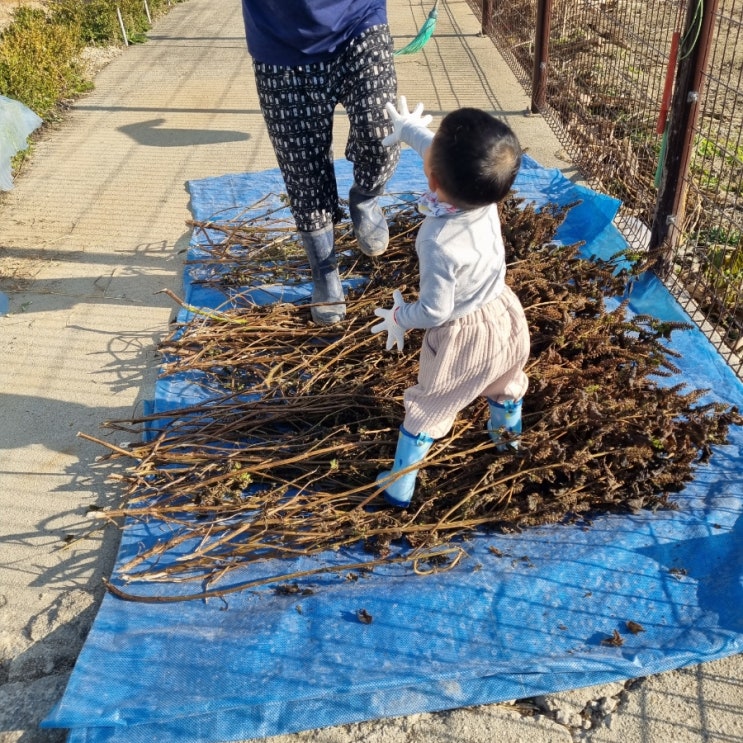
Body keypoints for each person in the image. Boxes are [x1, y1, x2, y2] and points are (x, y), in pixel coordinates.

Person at [371, 99, 531, 508]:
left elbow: (435, 311)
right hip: (505, 317)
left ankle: (400, 486)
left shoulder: (437, 240)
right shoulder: (485, 192)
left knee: (429, 406)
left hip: (465, 339)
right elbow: (440, 157)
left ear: (432, 177)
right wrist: (409, 131)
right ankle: (508, 442)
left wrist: (400, 316)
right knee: (506, 383)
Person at [240, 0, 400, 325]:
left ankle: (365, 197)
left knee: (381, 131)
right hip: (279, 39)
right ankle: (325, 272)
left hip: (358, 17)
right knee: (303, 173)